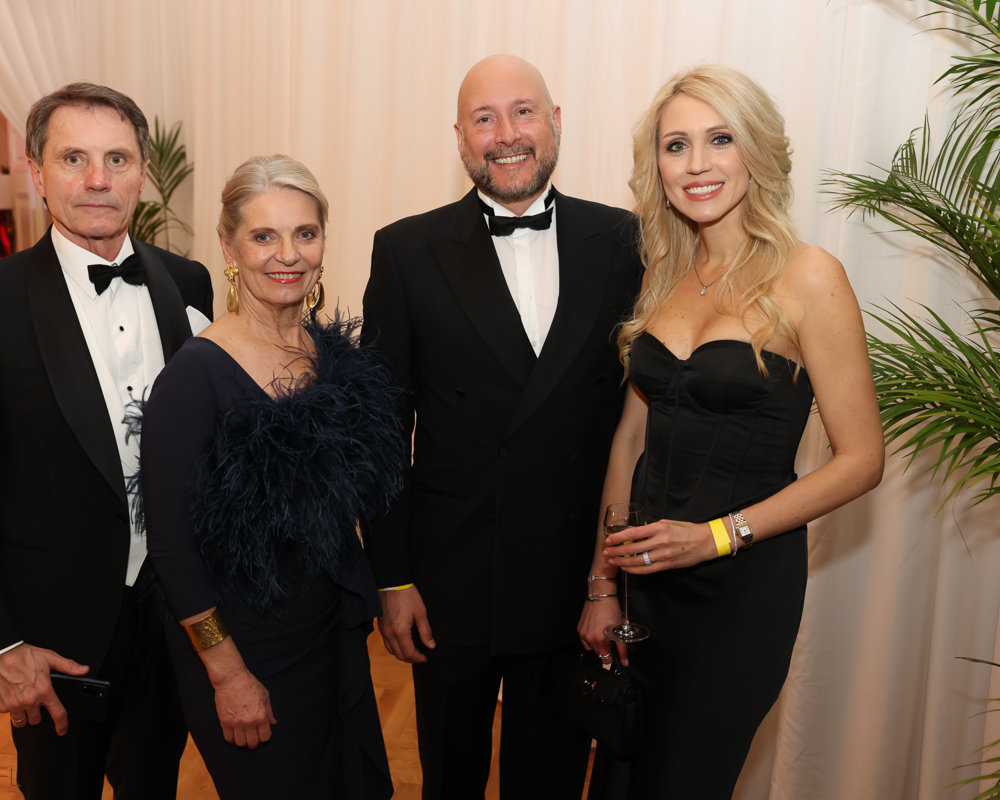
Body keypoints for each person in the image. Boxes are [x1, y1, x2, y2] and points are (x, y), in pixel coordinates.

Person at [578, 65, 885, 800]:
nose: (697, 164)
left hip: (740, 591)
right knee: (620, 777)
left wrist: (715, 537)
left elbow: (863, 459)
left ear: (756, 150)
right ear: (656, 166)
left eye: (720, 139)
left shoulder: (809, 276)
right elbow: (628, 443)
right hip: (646, 581)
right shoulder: (663, 275)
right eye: (675, 145)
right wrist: (602, 583)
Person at [0, 82, 213, 799]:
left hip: (172, 617)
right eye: (74, 158)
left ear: (142, 172)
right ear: (38, 173)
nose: (98, 179)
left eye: (117, 158)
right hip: (53, 636)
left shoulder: (188, 283)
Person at [361, 54, 643, 799]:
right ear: (459, 136)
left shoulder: (627, 241)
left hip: (573, 576)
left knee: (550, 778)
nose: (507, 134)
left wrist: (609, 580)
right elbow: (382, 432)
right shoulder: (406, 250)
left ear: (556, 122)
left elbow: (637, 426)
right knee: (449, 778)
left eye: (523, 112)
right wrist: (393, 577)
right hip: (451, 581)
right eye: (484, 118)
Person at [139, 155, 399, 799]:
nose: (288, 254)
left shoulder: (328, 353)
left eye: (305, 234)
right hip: (245, 648)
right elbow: (171, 549)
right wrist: (227, 674)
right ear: (229, 247)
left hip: (328, 632)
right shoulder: (193, 377)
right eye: (264, 236)